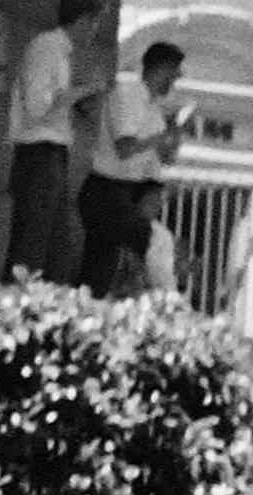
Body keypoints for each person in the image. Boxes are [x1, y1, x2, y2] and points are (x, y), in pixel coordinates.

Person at [79, 37, 184, 299]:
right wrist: (160, 139)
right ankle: (171, 310)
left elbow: (162, 161)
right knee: (159, 241)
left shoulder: (155, 112)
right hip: (104, 192)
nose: (174, 82)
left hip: (125, 196)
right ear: (159, 69)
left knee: (97, 277)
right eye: (173, 74)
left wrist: (173, 139)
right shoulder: (127, 95)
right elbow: (124, 148)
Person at [1, 0, 81, 281]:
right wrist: (80, 93)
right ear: (85, 20)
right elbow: (37, 107)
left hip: (53, 153)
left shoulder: (61, 53)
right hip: (39, 151)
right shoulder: (47, 47)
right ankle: (17, 303)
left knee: (55, 244)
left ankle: (37, 304)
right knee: (34, 240)